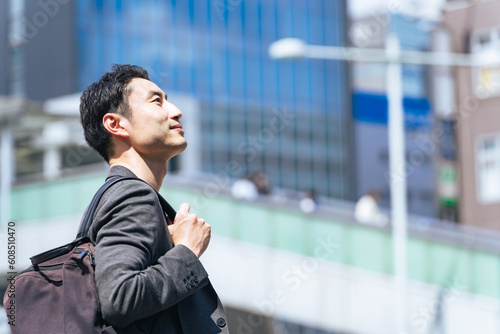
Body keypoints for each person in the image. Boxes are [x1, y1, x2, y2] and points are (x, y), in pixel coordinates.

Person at [79, 64, 228, 333]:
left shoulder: (125, 194)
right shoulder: (132, 194)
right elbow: (119, 298)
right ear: (116, 124)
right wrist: (187, 251)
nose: (176, 111)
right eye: (156, 101)